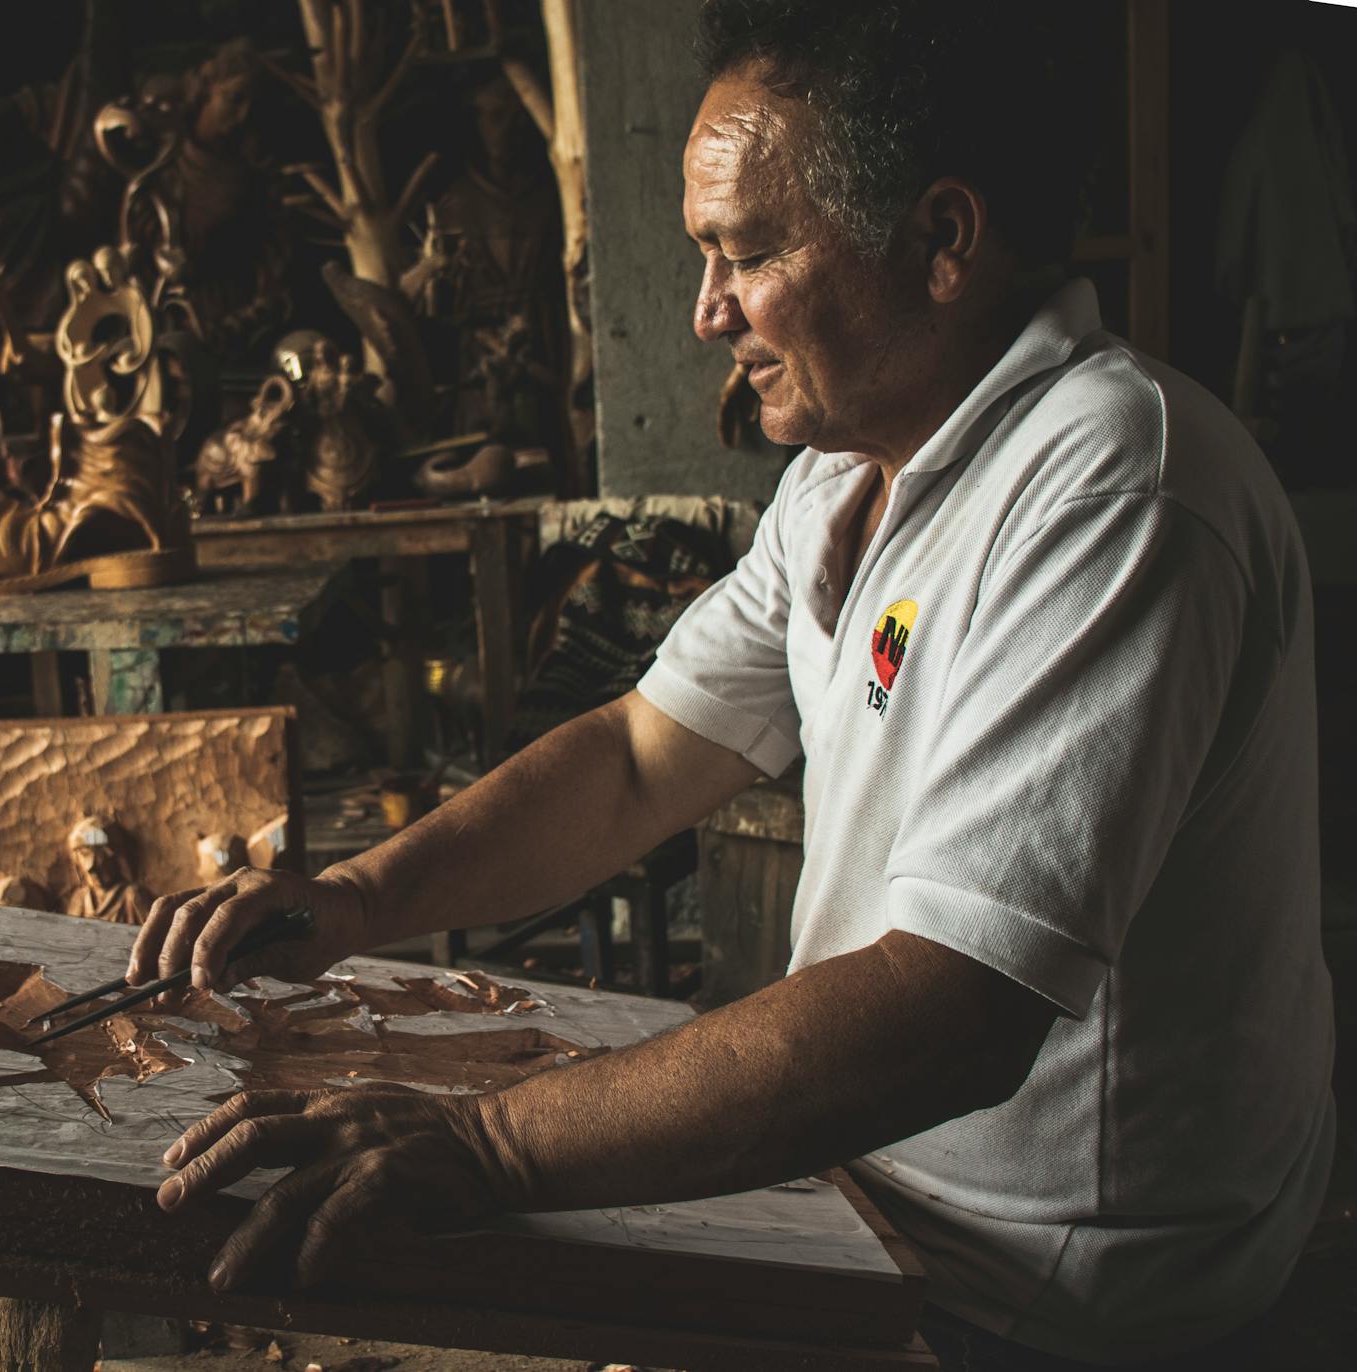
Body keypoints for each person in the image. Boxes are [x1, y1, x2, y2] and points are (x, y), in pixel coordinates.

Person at [126, 3, 1334, 1365]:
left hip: (1061, 1278)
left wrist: (490, 1145)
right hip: (881, 1183)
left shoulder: (1116, 481)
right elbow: (646, 755)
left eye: (746, 255)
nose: (707, 313)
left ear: (941, 240)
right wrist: (358, 898)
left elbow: (955, 1015)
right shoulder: (843, 477)